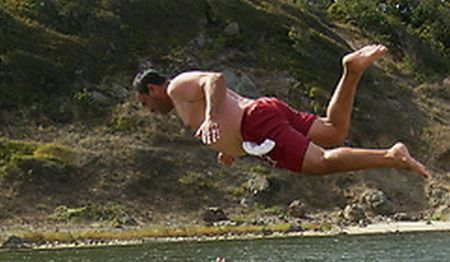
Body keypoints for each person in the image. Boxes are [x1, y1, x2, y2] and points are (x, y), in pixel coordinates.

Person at [132, 44, 429, 178]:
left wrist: (211, 117)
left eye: (146, 103)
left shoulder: (176, 86)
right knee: (333, 130)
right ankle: (351, 71)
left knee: (322, 163)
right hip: (261, 115)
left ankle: (392, 156)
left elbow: (215, 80)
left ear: (153, 89)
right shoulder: (181, 99)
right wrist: (231, 148)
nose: (151, 110)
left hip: (256, 123)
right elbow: (227, 110)